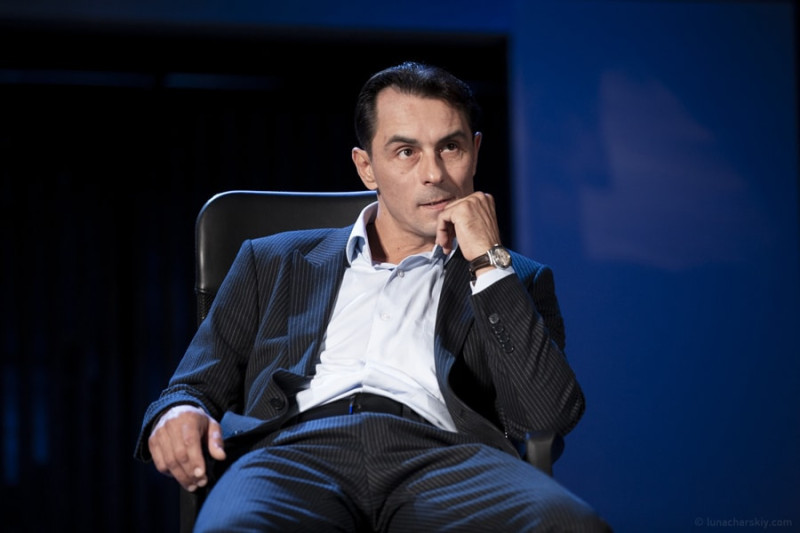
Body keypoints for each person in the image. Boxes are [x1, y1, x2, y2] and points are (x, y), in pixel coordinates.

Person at [135, 61, 611, 532]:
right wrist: (180, 412)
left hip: (448, 461)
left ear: (476, 151)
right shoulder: (272, 261)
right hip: (292, 454)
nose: (434, 174)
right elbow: (190, 388)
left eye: (450, 147)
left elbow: (546, 416)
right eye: (406, 151)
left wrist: (488, 261)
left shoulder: (515, 278)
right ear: (367, 168)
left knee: (572, 525)